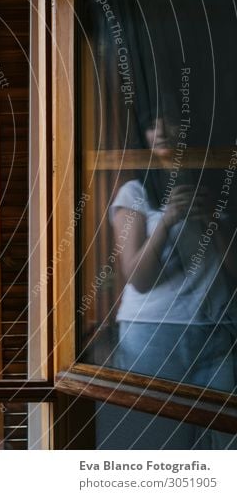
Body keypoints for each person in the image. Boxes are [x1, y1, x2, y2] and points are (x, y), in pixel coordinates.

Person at [109, 116, 237, 447]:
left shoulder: (220, 184)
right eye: (152, 124)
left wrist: (212, 220)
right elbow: (138, 279)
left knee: (223, 441)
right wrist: (166, 222)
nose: (162, 131)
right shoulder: (135, 191)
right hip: (152, 334)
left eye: (173, 121)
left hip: (217, 328)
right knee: (155, 441)